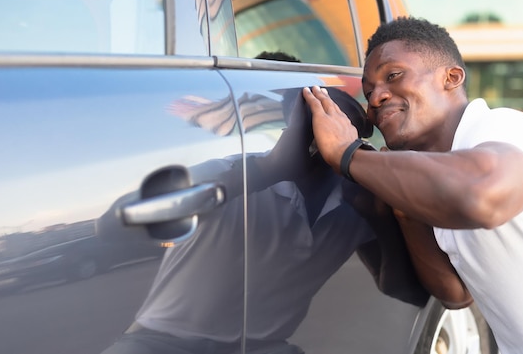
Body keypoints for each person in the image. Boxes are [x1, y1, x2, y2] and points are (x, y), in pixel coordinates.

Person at [302, 16, 523, 354]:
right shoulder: (440, 174)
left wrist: (347, 154)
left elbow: (481, 195)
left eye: (393, 76)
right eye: (368, 92)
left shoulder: (503, 129)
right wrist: (405, 210)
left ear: (451, 78)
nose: (377, 97)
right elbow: (457, 295)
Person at [101, 84, 427, 354]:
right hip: (161, 341)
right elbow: (112, 224)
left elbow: (407, 293)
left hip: (261, 346)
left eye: (341, 125)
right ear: (290, 131)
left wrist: (380, 220)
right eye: (311, 124)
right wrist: (266, 171)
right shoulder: (233, 173)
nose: (321, 138)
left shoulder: (355, 202)